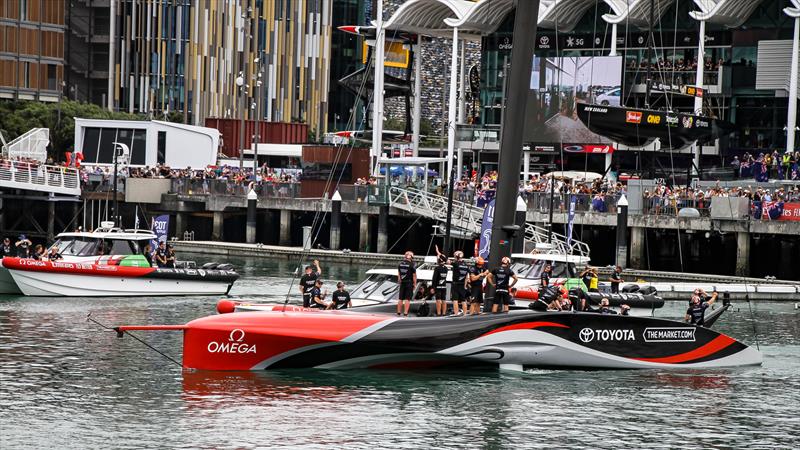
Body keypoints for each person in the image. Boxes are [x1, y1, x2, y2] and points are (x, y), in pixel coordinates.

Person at [450, 251, 470, 316]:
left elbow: (446, 261)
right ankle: (464, 314)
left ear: (456, 256)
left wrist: (439, 254)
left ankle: (456, 314)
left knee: (455, 299)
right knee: (463, 300)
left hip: (455, 284)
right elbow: (467, 277)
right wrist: (465, 285)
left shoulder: (456, 263)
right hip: (462, 285)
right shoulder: (466, 265)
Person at [397, 251, 416, 317]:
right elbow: (414, 276)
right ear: (411, 257)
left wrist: (400, 280)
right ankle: (405, 313)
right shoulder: (412, 265)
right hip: (409, 283)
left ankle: (398, 312)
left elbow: (399, 274)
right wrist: (415, 284)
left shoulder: (400, 264)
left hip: (402, 283)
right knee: (407, 299)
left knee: (400, 299)